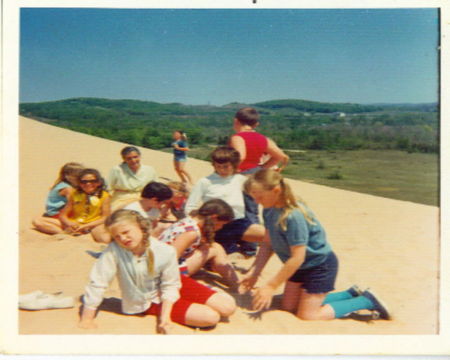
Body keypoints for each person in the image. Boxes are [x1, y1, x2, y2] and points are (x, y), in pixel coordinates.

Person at [240, 169, 390, 321]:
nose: (256, 202)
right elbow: (267, 243)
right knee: (288, 307)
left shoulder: (293, 216)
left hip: (319, 266)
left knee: (307, 316)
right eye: (254, 198)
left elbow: (298, 257)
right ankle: (349, 294)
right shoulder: (269, 210)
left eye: (259, 197)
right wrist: (255, 272)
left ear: (276, 190)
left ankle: (366, 300)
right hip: (298, 268)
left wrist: (271, 286)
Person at [79, 209, 235, 332]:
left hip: (173, 285)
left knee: (228, 308)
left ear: (140, 227)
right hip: (148, 299)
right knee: (210, 317)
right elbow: (98, 283)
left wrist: (165, 317)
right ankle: (196, 299)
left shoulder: (163, 251)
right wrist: (87, 318)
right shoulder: (114, 251)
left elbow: (170, 285)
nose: (123, 239)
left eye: (126, 232)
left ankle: (205, 291)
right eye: (117, 236)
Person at [185, 146, 265, 257]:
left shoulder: (241, 180)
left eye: (226, 167)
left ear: (234, 165)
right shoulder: (205, 182)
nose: (222, 170)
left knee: (270, 236)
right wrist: (199, 227)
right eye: (218, 166)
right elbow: (190, 206)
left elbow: (260, 194)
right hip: (216, 226)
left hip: (238, 222)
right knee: (219, 259)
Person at [159, 199, 241, 291]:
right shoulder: (191, 233)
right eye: (221, 224)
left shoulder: (188, 221)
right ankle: (237, 283)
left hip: (162, 268)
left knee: (214, 246)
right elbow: (169, 259)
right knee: (214, 249)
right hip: (165, 274)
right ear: (214, 218)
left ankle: (234, 281)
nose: (221, 228)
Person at [229, 107, 289, 225]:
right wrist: (262, 168)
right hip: (257, 174)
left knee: (243, 210)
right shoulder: (263, 138)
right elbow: (280, 156)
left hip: (242, 175)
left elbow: (241, 156)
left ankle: (251, 240)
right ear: (256, 124)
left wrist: (232, 170)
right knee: (253, 209)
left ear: (236, 121)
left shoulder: (237, 137)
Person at [91, 181, 174, 243]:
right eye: (163, 202)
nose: (163, 205)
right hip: (129, 235)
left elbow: (154, 223)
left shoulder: (154, 209)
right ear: (154, 200)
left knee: (167, 226)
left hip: (145, 233)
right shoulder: (132, 209)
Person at [32, 162, 84, 234]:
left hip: (61, 215)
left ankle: (65, 232)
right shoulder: (67, 188)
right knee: (38, 220)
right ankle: (65, 232)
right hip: (57, 214)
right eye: (77, 176)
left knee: (38, 221)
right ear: (67, 176)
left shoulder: (65, 186)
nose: (80, 179)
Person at [56, 168, 111, 236]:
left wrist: (86, 226)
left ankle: (74, 232)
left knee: (103, 237)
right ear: (79, 183)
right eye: (84, 182)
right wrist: (70, 223)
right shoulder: (74, 194)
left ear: (98, 182)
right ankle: (66, 233)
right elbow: (63, 215)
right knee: (40, 222)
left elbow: (105, 218)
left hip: (93, 225)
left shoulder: (105, 196)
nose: (88, 184)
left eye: (92, 181)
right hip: (76, 223)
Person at [107, 146, 158, 210]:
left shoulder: (150, 169)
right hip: (122, 197)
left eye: (135, 157)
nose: (133, 160)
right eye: (129, 158)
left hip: (143, 197)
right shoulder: (117, 169)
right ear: (124, 159)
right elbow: (109, 188)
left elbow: (155, 187)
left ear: (140, 156)